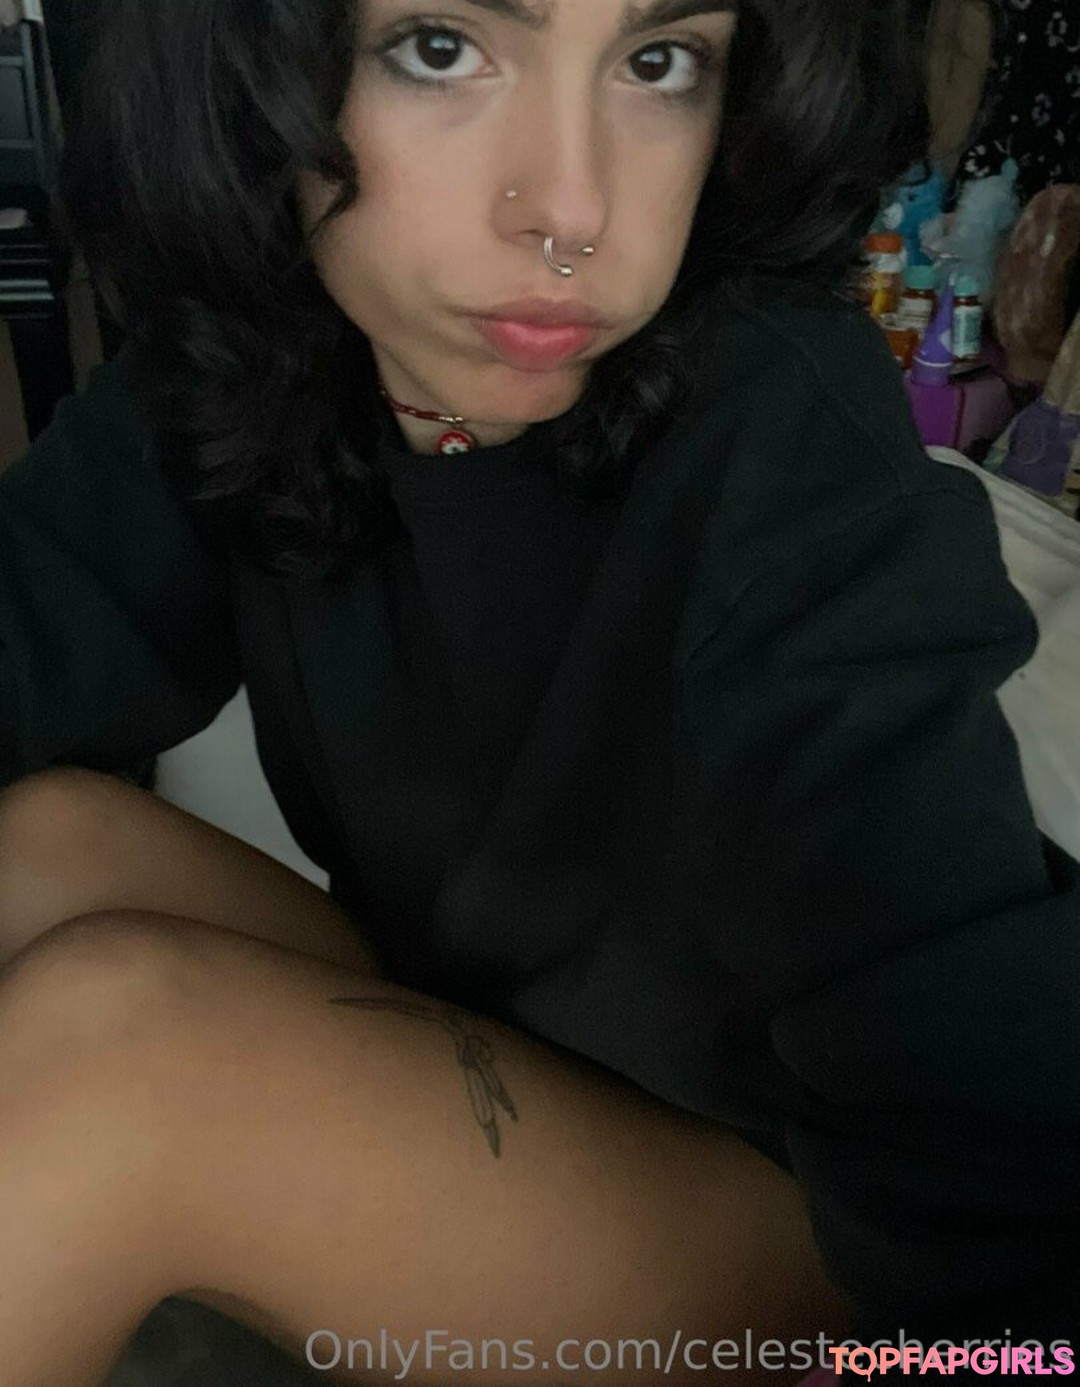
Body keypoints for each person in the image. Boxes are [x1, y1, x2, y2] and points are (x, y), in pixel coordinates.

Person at [0, 0, 1076, 1383]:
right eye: (441, 47)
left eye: (658, 62)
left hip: (783, 1225)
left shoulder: (784, 439)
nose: (572, 210)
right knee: (43, 845)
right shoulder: (260, 354)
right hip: (501, 1040)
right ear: (251, 73)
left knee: (121, 1054)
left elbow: (982, 1108)